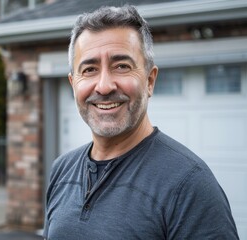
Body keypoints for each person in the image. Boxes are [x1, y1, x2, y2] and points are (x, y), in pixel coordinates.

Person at [43, 5, 239, 239]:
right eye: (89, 69)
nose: (104, 86)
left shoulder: (189, 185)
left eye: (122, 66)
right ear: (73, 83)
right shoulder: (62, 169)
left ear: (149, 80)